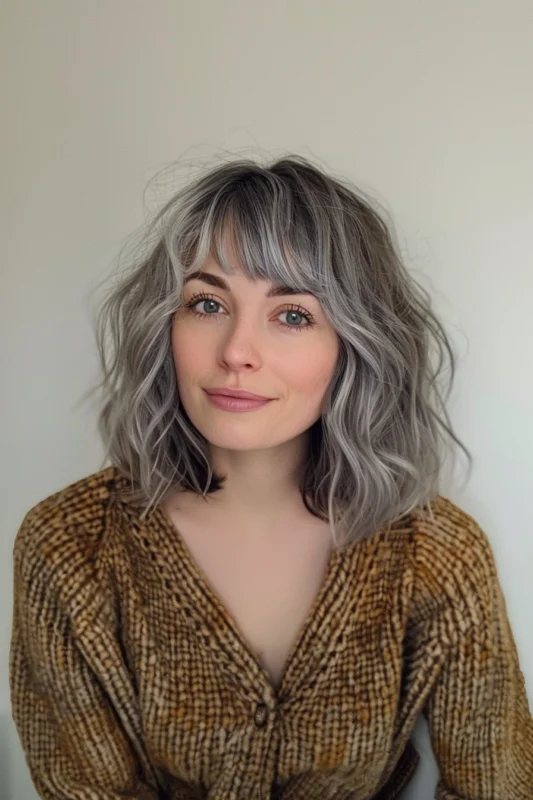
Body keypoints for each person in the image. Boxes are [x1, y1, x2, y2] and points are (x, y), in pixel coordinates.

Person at [9, 154, 533, 799]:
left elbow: (497, 786)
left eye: (292, 316)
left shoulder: (436, 554)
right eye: (206, 303)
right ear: (163, 325)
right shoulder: (70, 547)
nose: (235, 351)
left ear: (355, 345)